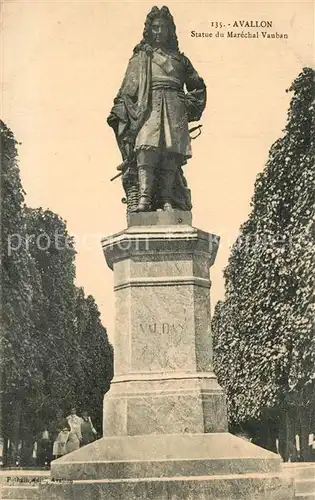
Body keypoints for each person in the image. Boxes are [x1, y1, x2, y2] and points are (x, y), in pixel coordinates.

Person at [107, 5, 206, 213]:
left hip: (174, 108)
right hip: (148, 107)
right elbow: (127, 89)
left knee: (171, 153)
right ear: (149, 30)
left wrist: (186, 106)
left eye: (163, 27)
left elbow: (198, 87)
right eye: (155, 27)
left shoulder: (181, 60)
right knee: (145, 150)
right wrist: (120, 110)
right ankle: (144, 198)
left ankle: (167, 199)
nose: (159, 31)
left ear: (171, 30)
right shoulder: (141, 58)